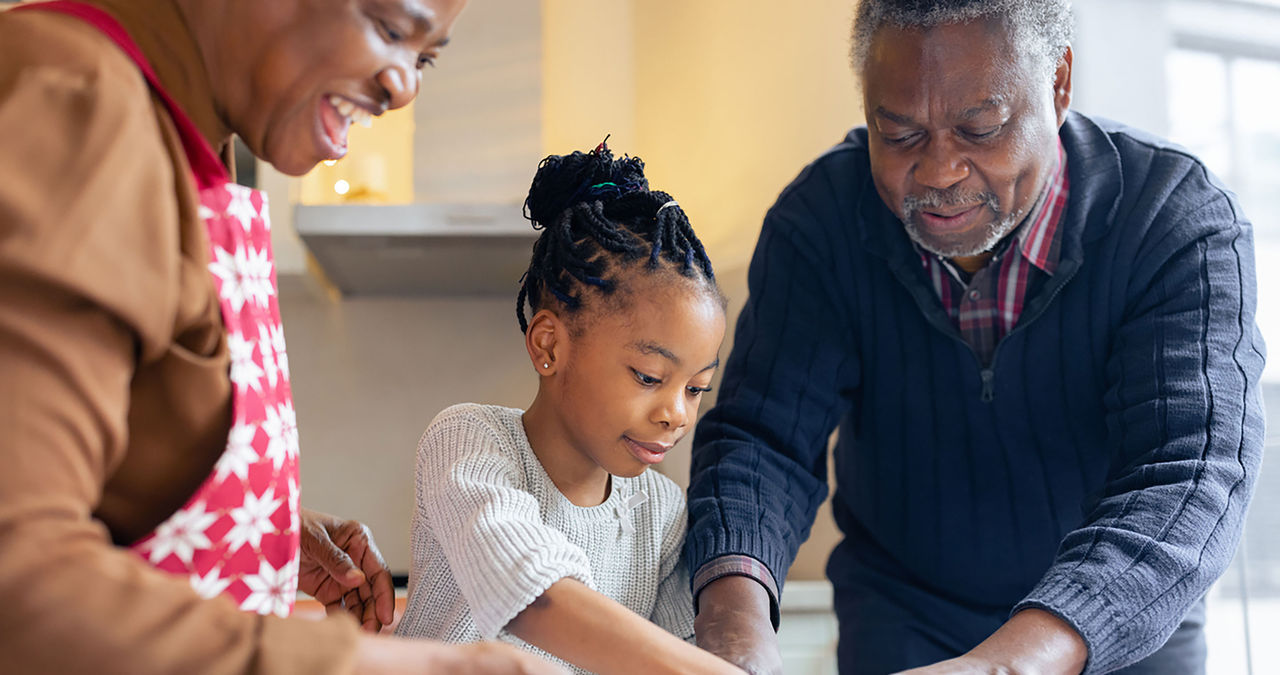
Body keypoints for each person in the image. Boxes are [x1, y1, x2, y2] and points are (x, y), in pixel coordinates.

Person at [685, 1, 1265, 674]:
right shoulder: (821, 221)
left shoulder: (1174, 219)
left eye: (979, 128)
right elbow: (762, 440)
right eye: (898, 133)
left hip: (1118, 630)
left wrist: (1005, 664)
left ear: (1058, 85)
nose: (938, 173)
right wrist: (734, 634)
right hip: (905, 618)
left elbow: (1190, 471)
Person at [0, 0, 562, 673]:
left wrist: (256, 531)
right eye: (389, 29)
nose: (404, 86)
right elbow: (19, 576)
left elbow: (106, 455)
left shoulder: (189, 141)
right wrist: (384, 665)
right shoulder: (75, 101)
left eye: (426, 57)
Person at [394, 145, 741, 675]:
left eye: (696, 388)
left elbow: (675, 655)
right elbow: (533, 595)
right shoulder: (468, 439)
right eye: (650, 377)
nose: (677, 414)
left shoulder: (661, 512)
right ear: (549, 346)